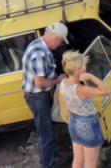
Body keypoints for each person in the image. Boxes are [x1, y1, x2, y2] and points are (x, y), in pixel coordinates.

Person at [22, 22, 69, 168]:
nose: (60, 45)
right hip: (38, 97)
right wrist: (58, 80)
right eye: (61, 41)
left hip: (40, 96)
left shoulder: (38, 44)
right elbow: (40, 83)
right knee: (45, 134)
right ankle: (48, 165)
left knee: (48, 130)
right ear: (55, 38)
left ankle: (52, 158)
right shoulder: (39, 54)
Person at [59, 51, 110, 168]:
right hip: (87, 123)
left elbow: (64, 103)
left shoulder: (63, 83)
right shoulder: (81, 89)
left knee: (77, 161)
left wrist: (69, 118)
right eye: (83, 66)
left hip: (73, 121)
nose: (85, 67)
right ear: (78, 70)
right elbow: (107, 91)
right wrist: (91, 77)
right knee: (91, 163)